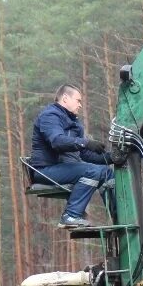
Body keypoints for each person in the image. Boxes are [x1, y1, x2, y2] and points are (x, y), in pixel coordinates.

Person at [30, 84, 115, 228]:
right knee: (92, 171)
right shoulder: (50, 116)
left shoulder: (74, 123)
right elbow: (57, 141)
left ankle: (118, 215)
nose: (80, 105)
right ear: (65, 98)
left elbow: (85, 155)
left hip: (64, 168)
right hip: (45, 170)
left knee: (106, 172)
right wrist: (86, 143)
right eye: (78, 100)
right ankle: (71, 215)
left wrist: (110, 158)